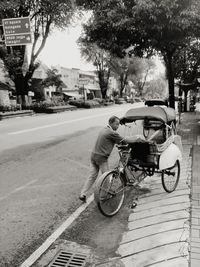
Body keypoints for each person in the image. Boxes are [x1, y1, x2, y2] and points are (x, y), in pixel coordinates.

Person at [79, 115, 146, 203]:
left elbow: (115, 141)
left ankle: (83, 194)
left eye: (118, 124)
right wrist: (137, 138)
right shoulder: (111, 132)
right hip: (101, 158)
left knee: (92, 176)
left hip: (93, 156)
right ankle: (103, 196)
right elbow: (125, 140)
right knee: (106, 178)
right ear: (110, 123)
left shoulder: (104, 129)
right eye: (116, 124)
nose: (118, 126)